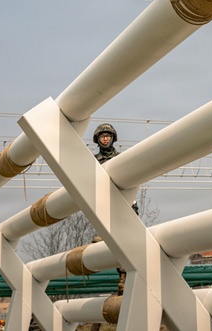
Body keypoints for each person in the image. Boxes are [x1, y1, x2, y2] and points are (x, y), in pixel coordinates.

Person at [91, 123, 138, 296]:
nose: (105, 138)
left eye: (108, 136)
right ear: (98, 139)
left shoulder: (121, 158)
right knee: (110, 241)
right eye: (103, 136)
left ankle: (125, 277)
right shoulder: (94, 162)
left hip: (124, 202)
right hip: (105, 203)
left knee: (126, 241)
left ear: (112, 138)